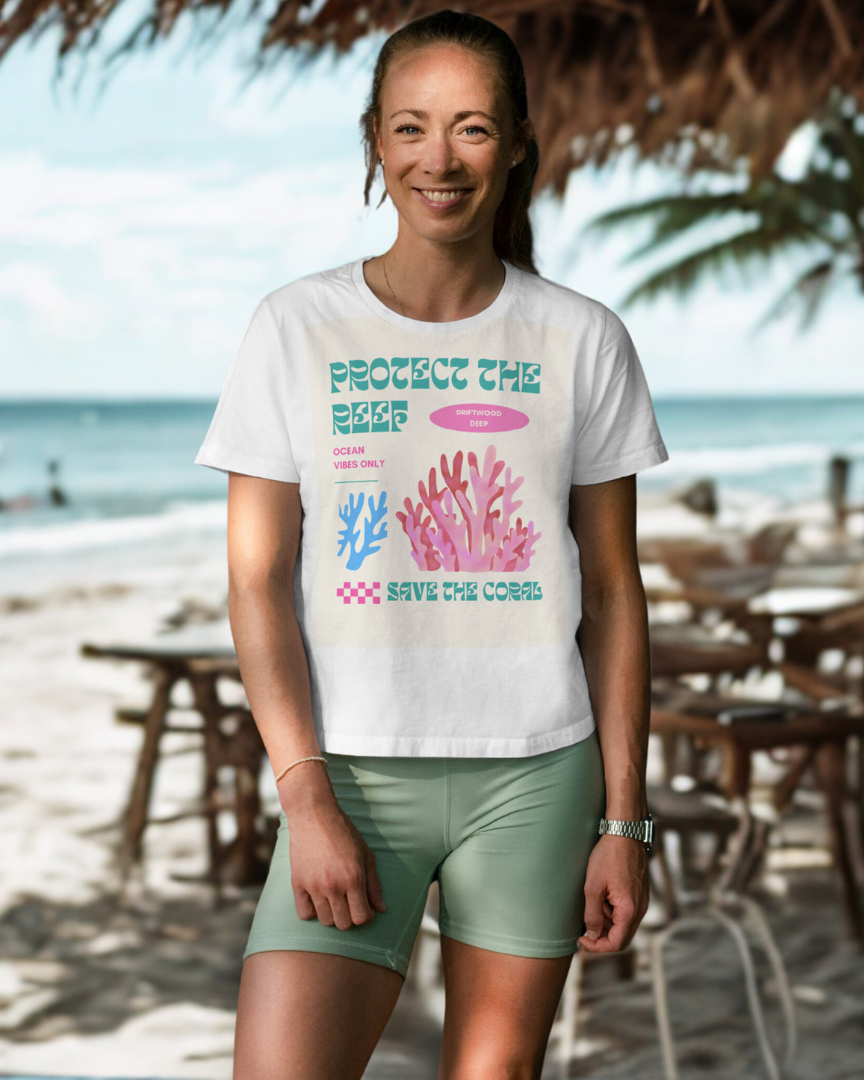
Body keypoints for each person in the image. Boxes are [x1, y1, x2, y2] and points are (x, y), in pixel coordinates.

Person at [194, 10, 669, 1078]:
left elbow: (614, 593)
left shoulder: (581, 337)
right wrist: (304, 794)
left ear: (515, 144)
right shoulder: (295, 326)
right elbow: (257, 580)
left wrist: (623, 824)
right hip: (350, 776)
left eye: (469, 128)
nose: (438, 160)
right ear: (375, 141)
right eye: (411, 129)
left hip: (539, 779)